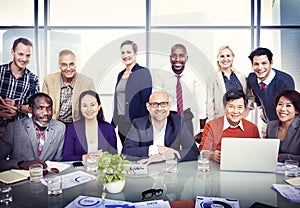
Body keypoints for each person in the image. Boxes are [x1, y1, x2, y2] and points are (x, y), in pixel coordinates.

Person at [122, 91, 199, 164]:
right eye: (154, 104)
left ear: (169, 105)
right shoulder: (139, 124)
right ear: (148, 107)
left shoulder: (178, 122)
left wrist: (164, 156)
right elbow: (126, 153)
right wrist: (157, 149)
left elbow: (193, 151)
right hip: (147, 170)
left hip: (171, 171)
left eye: (163, 104)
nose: (159, 108)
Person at [152, 43, 206, 142]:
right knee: (170, 150)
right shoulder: (161, 74)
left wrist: (202, 129)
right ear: (170, 58)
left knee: (189, 150)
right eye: (174, 56)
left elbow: (201, 101)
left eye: (181, 56)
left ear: (186, 57)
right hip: (168, 117)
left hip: (186, 116)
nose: (177, 59)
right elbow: (155, 98)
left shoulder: (193, 75)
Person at [0, 92, 65, 171]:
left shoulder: (60, 128)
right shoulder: (14, 128)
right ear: (30, 109)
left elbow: (58, 161)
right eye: (40, 108)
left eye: (49, 108)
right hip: (20, 179)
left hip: (48, 178)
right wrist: (22, 164)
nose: (46, 113)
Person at [199, 89, 260, 163]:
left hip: (244, 168)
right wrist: (211, 155)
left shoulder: (252, 128)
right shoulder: (212, 125)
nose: (235, 111)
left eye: (240, 107)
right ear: (224, 107)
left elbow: (257, 154)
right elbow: (202, 152)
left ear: (245, 109)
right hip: (217, 169)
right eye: (231, 106)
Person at [112, 40, 152, 145]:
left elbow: (145, 101)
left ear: (135, 54)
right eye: (123, 53)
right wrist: (113, 122)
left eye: (128, 52)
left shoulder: (143, 72)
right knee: (126, 154)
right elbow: (118, 99)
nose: (125, 55)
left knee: (134, 154)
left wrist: (139, 125)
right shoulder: (120, 74)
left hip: (135, 123)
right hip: (121, 123)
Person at [42, 49, 95, 126]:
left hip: (77, 125)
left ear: (76, 64)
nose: (68, 68)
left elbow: (94, 107)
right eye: (64, 65)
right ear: (59, 65)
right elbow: (43, 106)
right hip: (54, 124)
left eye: (71, 64)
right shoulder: (49, 80)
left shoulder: (87, 82)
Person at [0, 37, 39, 138]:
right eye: (20, 54)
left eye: (28, 55)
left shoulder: (33, 79)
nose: (24, 59)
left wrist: (16, 107)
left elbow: (34, 108)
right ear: (12, 52)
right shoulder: (0, 72)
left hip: (19, 132)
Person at [62, 90, 117, 161]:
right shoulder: (72, 129)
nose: (89, 109)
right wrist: (84, 157)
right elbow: (66, 158)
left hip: (102, 170)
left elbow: (115, 157)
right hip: (79, 171)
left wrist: (105, 157)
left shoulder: (109, 128)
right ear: (80, 109)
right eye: (84, 105)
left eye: (92, 105)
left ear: (99, 106)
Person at [247, 47, 295, 123]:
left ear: (271, 62)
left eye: (264, 63)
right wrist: (260, 107)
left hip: (284, 123)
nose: (260, 68)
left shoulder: (284, 81)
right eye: (256, 64)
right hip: (266, 121)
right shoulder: (252, 79)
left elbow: (288, 108)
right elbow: (255, 93)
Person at [206, 46, 249, 121]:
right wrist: (212, 121)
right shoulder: (212, 78)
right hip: (221, 118)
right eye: (222, 56)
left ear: (232, 58)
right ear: (218, 59)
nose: (225, 59)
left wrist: (247, 109)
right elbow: (209, 102)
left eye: (228, 56)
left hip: (239, 119)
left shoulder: (241, 76)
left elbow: (249, 95)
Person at [266, 90, 300, 163]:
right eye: (280, 104)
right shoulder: (271, 126)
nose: (282, 109)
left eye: (288, 105)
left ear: (296, 110)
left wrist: (281, 157)